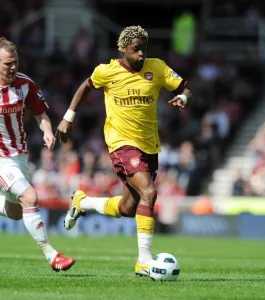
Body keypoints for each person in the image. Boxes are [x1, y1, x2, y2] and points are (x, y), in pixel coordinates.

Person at [56, 25, 193, 276]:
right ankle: (143, 261)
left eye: (144, 49)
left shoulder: (158, 68)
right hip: (121, 143)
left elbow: (185, 87)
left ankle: (82, 203)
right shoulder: (107, 71)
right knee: (149, 192)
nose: (141, 54)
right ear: (123, 49)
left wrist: (183, 98)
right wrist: (68, 117)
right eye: (136, 50)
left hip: (149, 145)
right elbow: (86, 86)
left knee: (129, 208)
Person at [0, 37, 75, 271]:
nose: (13, 67)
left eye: (15, 62)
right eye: (7, 64)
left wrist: (47, 132)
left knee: (14, 212)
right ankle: (52, 255)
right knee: (30, 198)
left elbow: (40, 114)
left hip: (19, 156)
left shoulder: (25, 84)